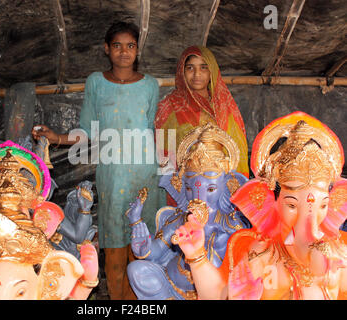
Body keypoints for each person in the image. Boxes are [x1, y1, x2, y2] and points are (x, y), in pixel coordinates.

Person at [32, 21, 165, 300]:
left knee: (142, 245)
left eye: (130, 46)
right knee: (115, 245)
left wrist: (170, 170)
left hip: (145, 173)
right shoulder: (96, 82)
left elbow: (154, 130)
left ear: (137, 50)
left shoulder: (151, 85)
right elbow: (88, 132)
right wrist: (56, 136)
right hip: (112, 175)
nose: (124, 52)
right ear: (107, 49)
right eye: (117, 45)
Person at [174, 112, 347, 300]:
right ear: (268, 203)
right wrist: (196, 256)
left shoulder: (339, 253)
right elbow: (219, 296)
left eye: (323, 206)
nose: (309, 222)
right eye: (292, 205)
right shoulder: (262, 255)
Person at [154, 46, 249, 182]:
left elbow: (238, 148)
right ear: (182, 72)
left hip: (221, 183)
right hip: (186, 186)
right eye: (190, 68)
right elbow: (163, 156)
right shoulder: (170, 106)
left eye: (203, 67)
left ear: (212, 72)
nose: (197, 74)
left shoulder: (224, 105)